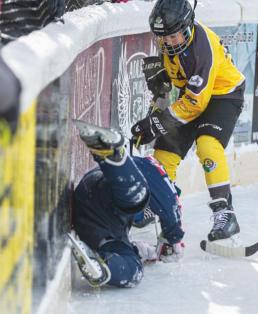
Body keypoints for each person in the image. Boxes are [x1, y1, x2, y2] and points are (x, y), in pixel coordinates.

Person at [130, 0, 245, 243]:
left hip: (222, 95)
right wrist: (156, 105)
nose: (168, 43)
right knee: (164, 153)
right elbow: (173, 93)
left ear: (188, 27)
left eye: (174, 36)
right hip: (192, 96)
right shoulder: (168, 43)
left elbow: (196, 104)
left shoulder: (202, 47)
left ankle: (225, 213)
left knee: (207, 145)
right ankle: (157, 201)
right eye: (163, 38)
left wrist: (156, 124)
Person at [71, 120, 185, 288]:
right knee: (137, 199)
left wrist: (138, 252)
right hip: (104, 188)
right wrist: (173, 236)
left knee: (135, 270)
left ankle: (103, 268)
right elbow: (169, 200)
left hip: (93, 222)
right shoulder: (147, 166)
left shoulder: (130, 224)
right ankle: (109, 153)